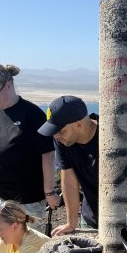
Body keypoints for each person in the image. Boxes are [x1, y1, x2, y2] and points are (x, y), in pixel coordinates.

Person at [0, 64, 59, 224]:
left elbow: (48, 154)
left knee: (28, 247)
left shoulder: (33, 115)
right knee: (0, 244)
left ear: (8, 85)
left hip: (28, 200)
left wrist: (49, 192)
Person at [38, 96, 98, 235]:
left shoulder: (109, 136)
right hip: (91, 218)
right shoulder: (63, 141)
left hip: (122, 218)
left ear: (79, 124)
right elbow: (69, 181)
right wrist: (71, 223)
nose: (56, 136)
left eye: (61, 130)